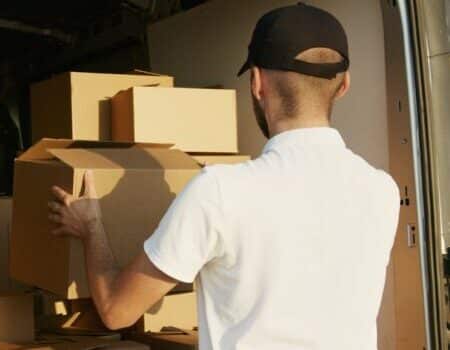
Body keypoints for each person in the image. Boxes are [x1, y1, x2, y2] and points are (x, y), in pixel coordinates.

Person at [46, 3, 399, 349]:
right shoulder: (382, 191)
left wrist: (91, 226)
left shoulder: (219, 192)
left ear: (257, 83)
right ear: (344, 85)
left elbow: (116, 311)